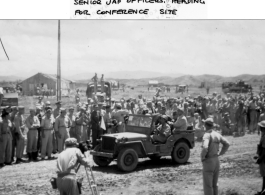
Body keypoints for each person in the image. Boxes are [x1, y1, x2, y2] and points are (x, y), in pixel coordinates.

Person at [201, 117, 230, 195]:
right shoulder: (217, 134)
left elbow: (205, 147)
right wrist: (220, 153)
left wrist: (203, 157)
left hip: (209, 161)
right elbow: (227, 144)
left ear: (206, 125)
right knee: (215, 184)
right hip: (216, 160)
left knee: (208, 185)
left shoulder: (207, 135)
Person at [255, 120, 265, 195]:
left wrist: (260, 158)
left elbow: (264, 149)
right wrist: (257, 155)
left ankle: (263, 190)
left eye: (261, 127)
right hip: (263, 156)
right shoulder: (263, 135)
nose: (260, 129)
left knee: (264, 175)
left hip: (264, 158)